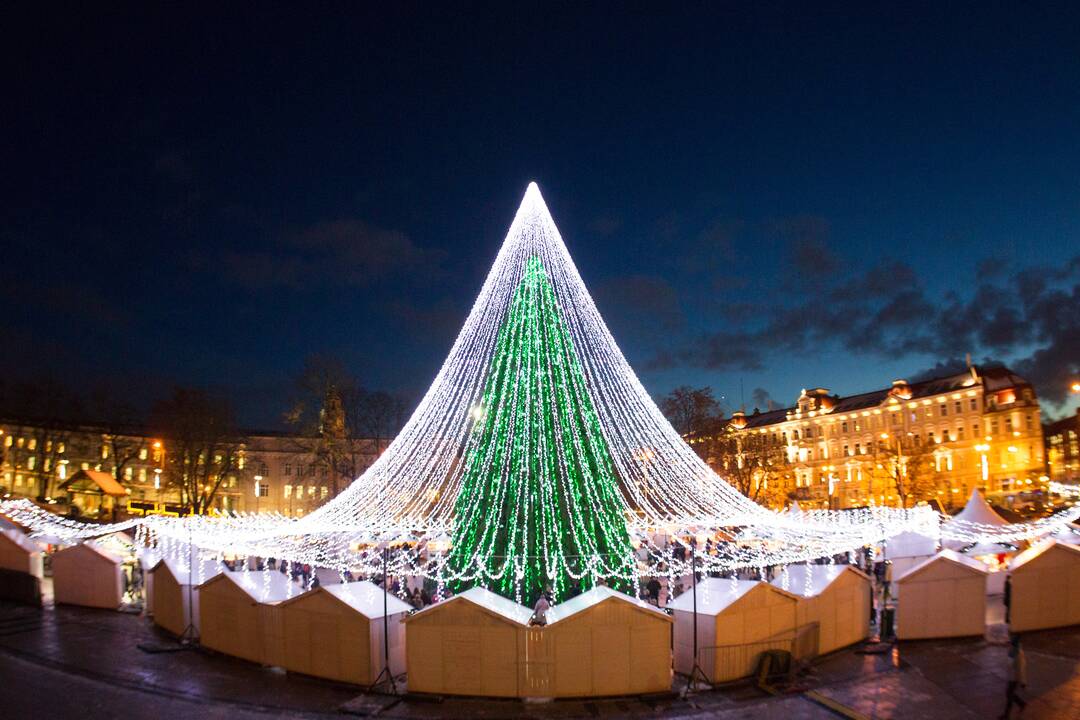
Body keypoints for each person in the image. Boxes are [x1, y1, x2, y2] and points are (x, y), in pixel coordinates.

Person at [1001, 635, 1027, 718]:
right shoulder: (1012, 651)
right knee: (1009, 694)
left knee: (1009, 694)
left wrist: (1023, 682)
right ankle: (1021, 703)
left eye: (1011, 643)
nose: (1010, 645)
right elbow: (1009, 663)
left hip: (1015, 679)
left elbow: (1021, 669)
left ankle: (1006, 715)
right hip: (1010, 677)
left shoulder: (1018, 654)